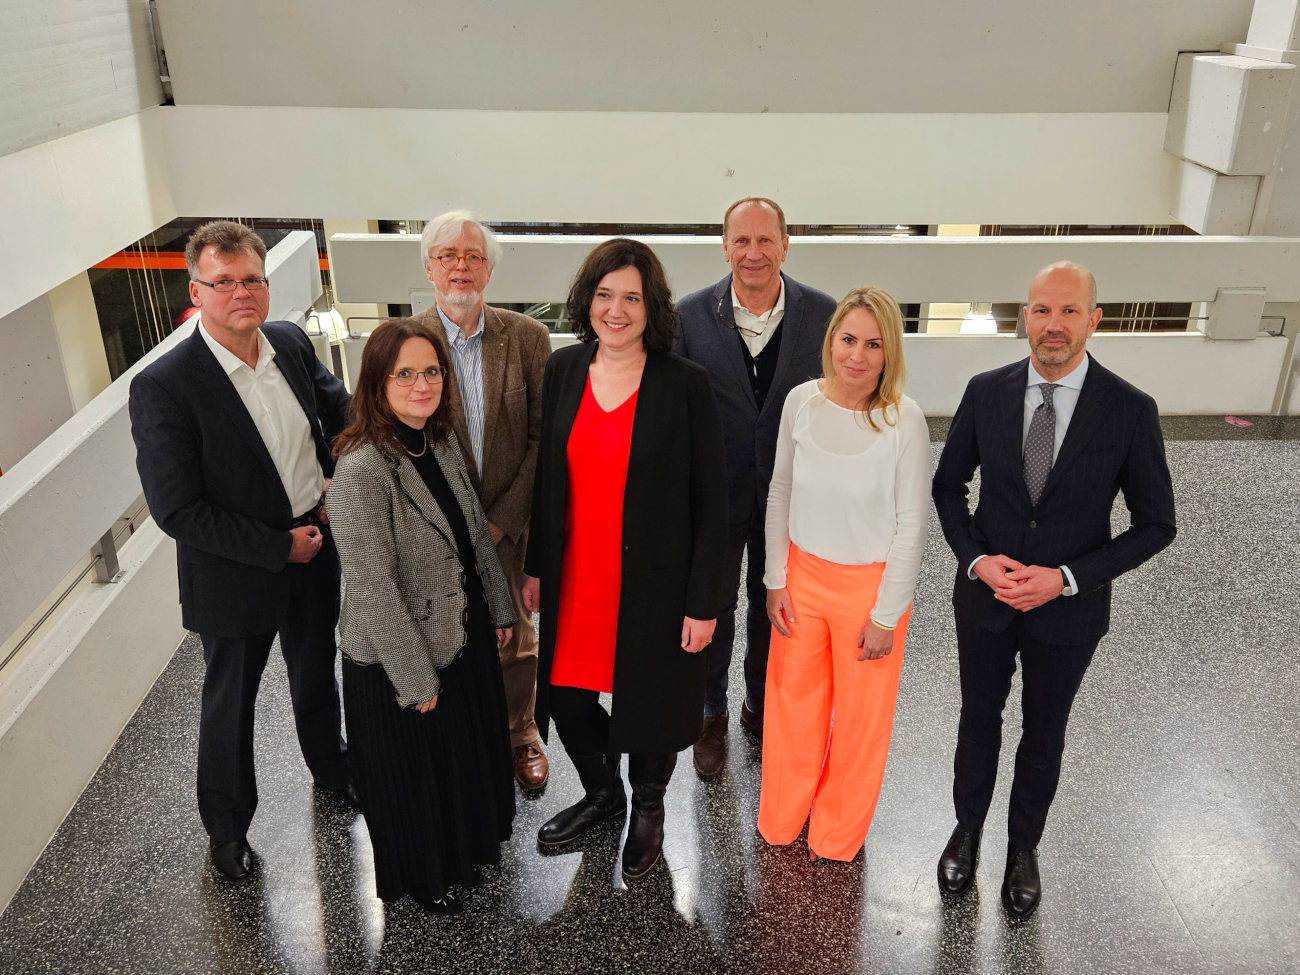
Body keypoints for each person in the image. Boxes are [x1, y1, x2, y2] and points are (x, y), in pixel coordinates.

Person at [932, 261, 1176, 919]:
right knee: (978, 719)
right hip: (985, 602)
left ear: (1095, 320)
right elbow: (947, 488)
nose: (1054, 325)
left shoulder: (1129, 410)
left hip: (1067, 613)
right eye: (1042, 310)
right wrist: (977, 560)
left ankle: (1023, 848)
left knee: (1045, 731)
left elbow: (1157, 524)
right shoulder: (986, 391)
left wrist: (1068, 579)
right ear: (1024, 317)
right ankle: (967, 828)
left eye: (1069, 312)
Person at [129, 221, 354, 881]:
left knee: (317, 672)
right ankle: (227, 831)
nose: (240, 293)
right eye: (222, 282)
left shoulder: (285, 339)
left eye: (251, 279)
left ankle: (332, 769)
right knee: (231, 702)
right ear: (196, 291)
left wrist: (340, 477)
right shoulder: (165, 385)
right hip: (237, 571)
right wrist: (276, 546)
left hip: (316, 541)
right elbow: (177, 509)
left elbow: (337, 412)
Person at [521, 238, 728, 879]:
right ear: (587, 301)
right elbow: (547, 480)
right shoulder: (563, 371)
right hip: (577, 572)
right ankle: (603, 791)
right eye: (605, 295)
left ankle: (649, 808)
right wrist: (534, 564)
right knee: (566, 692)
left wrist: (703, 602)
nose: (616, 310)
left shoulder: (685, 385)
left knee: (649, 699)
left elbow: (711, 501)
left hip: (655, 582)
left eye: (632, 297)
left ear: (651, 306)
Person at [327, 318, 518, 915]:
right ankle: (428, 879)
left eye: (431, 371)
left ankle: (467, 855)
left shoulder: (438, 441)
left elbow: (474, 537)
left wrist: (499, 604)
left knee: (460, 761)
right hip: (396, 658)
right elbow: (371, 586)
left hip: (460, 631)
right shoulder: (361, 469)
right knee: (416, 778)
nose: (421, 384)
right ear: (376, 383)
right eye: (404, 373)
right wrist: (413, 678)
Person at [758, 287, 930, 861]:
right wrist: (774, 579)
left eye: (873, 344)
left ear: (890, 352)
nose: (857, 355)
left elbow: (911, 525)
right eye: (848, 339)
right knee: (792, 707)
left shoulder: (903, 420)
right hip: (801, 581)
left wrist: (887, 615)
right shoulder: (801, 403)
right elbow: (779, 488)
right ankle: (782, 817)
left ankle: (836, 834)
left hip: (868, 591)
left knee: (860, 722)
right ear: (830, 340)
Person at [674, 197, 837, 778]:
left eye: (765, 240)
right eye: (741, 241)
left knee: (779, 609)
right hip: (714, 499)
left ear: (785, 245)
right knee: (711, 607)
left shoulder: (824, 315)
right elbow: (673, 414)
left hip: (794, 496)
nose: (753, 253)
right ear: (724, 247)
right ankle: (711, 713)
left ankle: (760, 704)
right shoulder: (688, 317)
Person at [412, 210, 553, 790]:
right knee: (445, 635)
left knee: (517, 638)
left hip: (508, 526)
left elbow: (546, 437)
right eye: (447, 256)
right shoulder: (405, 342)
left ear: (490, 270)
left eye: (472, 256)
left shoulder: (527, 338)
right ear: (429, 268)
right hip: (436, 530)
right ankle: (464, 737)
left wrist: (501, 519)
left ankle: (522, 735)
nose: (460, 267)